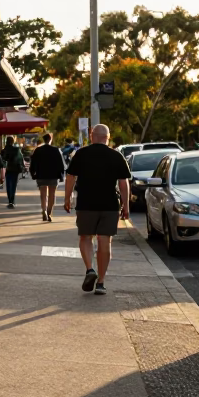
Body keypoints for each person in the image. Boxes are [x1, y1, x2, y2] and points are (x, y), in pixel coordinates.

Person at [63, 123, 130, 296]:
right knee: (104, 242)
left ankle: (89, 269)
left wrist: (67, 198)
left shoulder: (81, 154)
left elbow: (70, 176)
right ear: (108, 138)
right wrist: (126, 206)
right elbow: (123, 183)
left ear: (92, 136)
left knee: (85, 237)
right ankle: (101, 282)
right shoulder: (116, 156)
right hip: (109, 206)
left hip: (86, 204)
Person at [29, 132, 65, 222]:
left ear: (43, 140)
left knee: (43, 195)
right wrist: (61, 175)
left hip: (41, 175)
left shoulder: (38, 150)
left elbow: (33, 163)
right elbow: (61, 165)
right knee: (52, 194)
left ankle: (44, 210)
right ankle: (49, 212)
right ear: (50, 139)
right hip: (53, 176)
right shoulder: (56, 150)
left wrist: (33, 173)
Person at [1, 136, 25, 208]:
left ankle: (10, 201)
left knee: (8, 185)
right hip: (15, 170)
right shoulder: (16, 150)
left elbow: (1, 161)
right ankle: (12, 201)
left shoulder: (3, 150)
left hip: (7, 170)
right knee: (13, 185)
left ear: (6, 142)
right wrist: (22, 167)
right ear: (12, 142)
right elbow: (20, 159)